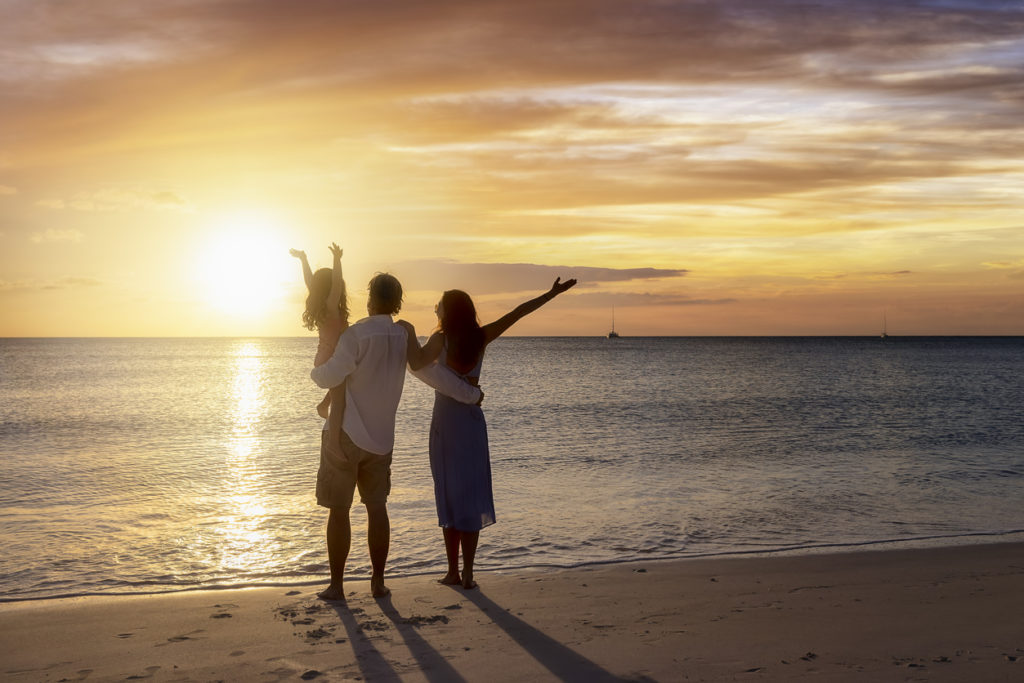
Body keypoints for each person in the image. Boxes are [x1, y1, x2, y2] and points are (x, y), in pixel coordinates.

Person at [310, 273, 483, 601]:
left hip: (346, 434)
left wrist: (316, 366)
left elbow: (328, 377)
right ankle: (378, 582)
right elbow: (426, 368)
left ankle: (336, 586)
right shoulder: (402, 334)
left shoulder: (356, 334)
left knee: (339, 510)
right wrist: (468, 393)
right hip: (381, 440)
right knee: (377, 509)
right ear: (397, 302)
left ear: (370, 299)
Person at [400, 276, 577, 589]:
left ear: (447, 311)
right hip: (471, 421)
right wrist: (551, 294)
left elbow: (415, 361)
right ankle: (468, 573)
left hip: (445, 420)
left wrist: (409, 330)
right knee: (470, 493)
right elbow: (518, 313)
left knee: (450, 495)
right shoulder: (481, 336)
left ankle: (453, 572)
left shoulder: (440, 340)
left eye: (439, 305)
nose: (436, 308)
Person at [291, 243, 347, 420]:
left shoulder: (323, 309)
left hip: (323, 358)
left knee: (344, 384)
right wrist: (337, 260)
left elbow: (310, 282)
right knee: (342, 394)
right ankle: (328, 418)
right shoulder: (330, 308)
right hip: (330, 360)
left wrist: (303, 259)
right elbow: (337, 284)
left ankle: (324, 405)